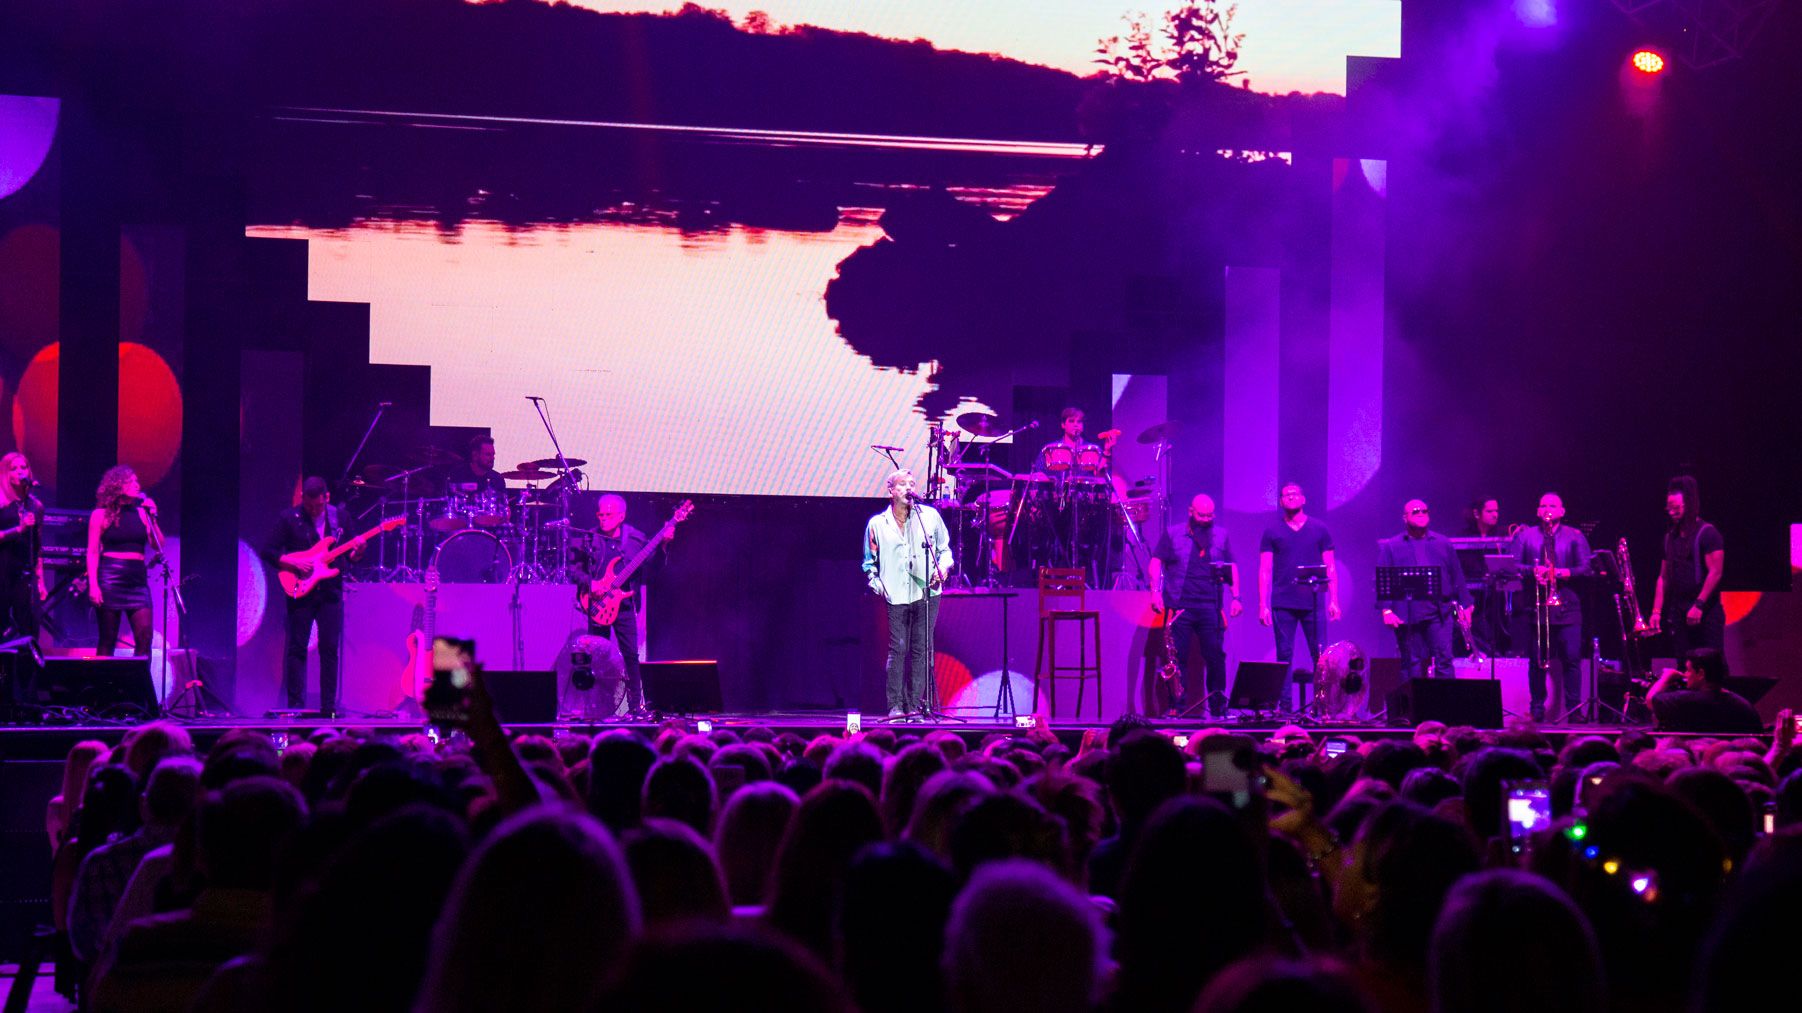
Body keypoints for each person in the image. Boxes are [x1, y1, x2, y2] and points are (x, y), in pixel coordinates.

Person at [862, 470, 953, 718]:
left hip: (927, 590)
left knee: (921, 648)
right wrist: (876, 582)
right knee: (898, 648)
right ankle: (895, 705)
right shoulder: (878, 524)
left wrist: (942, 569)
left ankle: (914, 705)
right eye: (902, 484)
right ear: (890, 490)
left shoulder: (929, 517)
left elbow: (945, 550)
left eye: (912, 484)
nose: (908, 488)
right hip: (896, 592)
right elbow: (869, 562)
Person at [265, 477, 359, 715]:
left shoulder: (340, 518)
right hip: (301, 591)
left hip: (330, 593)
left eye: (318, 506)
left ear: (326, 498)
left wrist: (357, 551)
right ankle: (295, 705)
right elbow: (268, 550)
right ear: (302, 500)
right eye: (309, 506)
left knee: (329, 649)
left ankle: (328, 708)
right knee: (297, 648)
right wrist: (292, 562)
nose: (314, 511)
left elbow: (351, 556)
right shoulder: (289, 518)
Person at [1149, 493, 1242, 715]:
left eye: (1210, 515)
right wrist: (1155, 592)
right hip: (1180, 605)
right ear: (1191, 511)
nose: (1206, 519)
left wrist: (1236, 596)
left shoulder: (1221, 535)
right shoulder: (1173, 534)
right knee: (1177, 657)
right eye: (1201, 515)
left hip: (1210, 606)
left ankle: (1218, 707)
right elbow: (1155, 561)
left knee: (1215, 656)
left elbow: (1231, 566)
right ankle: (1177, 708)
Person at [573, 494, 663, 715]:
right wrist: (591, 584)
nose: (603, 519)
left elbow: (654, 566)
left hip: (623, 605)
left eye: (609, 515)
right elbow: (573, 569)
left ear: (621, 516)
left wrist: (665, 544)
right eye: (600, 514)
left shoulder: (635, 540)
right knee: (597, 657)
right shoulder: (589, 538)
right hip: (597, 604)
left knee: (631, 655)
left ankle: (635, 708)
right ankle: (596, 707)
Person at [1510, 492, 1591, 722]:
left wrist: (1562, 572)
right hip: (1536, 607)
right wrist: (1533, 571)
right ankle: (1537, 708)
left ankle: (1574, 709)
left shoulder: (1575, 536)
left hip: (1568, 606)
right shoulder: (1526, 536)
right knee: (1537, 660)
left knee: (1572, 658)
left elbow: (1586, 567)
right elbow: (1513, 563)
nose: (1548, 509)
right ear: (1537, 511)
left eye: (1553, 505)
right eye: (1543, 505)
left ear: (1562, 511)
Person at [1258, 482, 1340, 700]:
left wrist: (1334, 600)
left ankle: (1322, 705)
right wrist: (1262, 604)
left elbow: (1330, 566)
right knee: (1284, 655)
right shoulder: (1272, 531)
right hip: (1283, 603)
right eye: (1286, 495)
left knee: (1320, 656)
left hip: (1313, 602)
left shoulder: (1319, 529)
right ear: (1281, 501)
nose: (1291, 498)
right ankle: (1284, 709)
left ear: (1303, 499)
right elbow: (1265, 569)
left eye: (1295, 494)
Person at [1375, 500, 1473, 681]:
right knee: (1410, 663)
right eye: (1415, 511)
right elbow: (1383, 578)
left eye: (1424, 511)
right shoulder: (1392, 546)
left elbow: (1457, 575)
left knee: (1444, 662)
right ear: (1405, 518)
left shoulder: (1443, 543)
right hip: (1407, 613)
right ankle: (1412, 709)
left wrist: (1467, 604)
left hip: (1439, 612)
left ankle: (1444, 708)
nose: (1421, 514)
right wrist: (1386, 609)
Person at [86, 464, 157, 657]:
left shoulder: (143, 514)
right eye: (131, 481)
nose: (137, 485)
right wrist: (93, 585)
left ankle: (137, 684)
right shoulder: (100, 515)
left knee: (145, 636)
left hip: (137, 581)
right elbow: (92, 552)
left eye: (137, 481)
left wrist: (153, 517)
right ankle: (103, 685)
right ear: (117, 486)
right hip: (110, 578)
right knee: (108, 638)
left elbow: (158, 545)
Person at [1650, 475, 1724, 655]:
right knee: (1684, 666)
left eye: (1676, 507)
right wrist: (1656, 612)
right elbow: (1663, 577)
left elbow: (1715, 572)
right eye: (1669, 507)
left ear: (1688, 504)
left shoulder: (1707, 533)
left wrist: (1698, 605)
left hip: (1706, 612)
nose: (1671, 512)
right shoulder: (1670, 538)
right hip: (1679, 610)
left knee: (1710, 666)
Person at [1645, 646, 1762, 733]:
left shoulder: (1687, 700)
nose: (1685, 675)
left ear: (1701, 673)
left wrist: (1666, 677)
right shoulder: (1743, 704)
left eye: (1688, 670)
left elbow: (1651, 700)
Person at [0, 452, 47, 642]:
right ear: (6, 474)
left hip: (24, 572)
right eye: (14, 468)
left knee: (28, 625)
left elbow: (37, 546)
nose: (20, 472)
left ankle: (26, 669)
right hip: (2, 569)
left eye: (23, 467)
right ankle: (2, 672)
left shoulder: (36, 506)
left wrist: (41, 580)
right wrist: (18, 529)